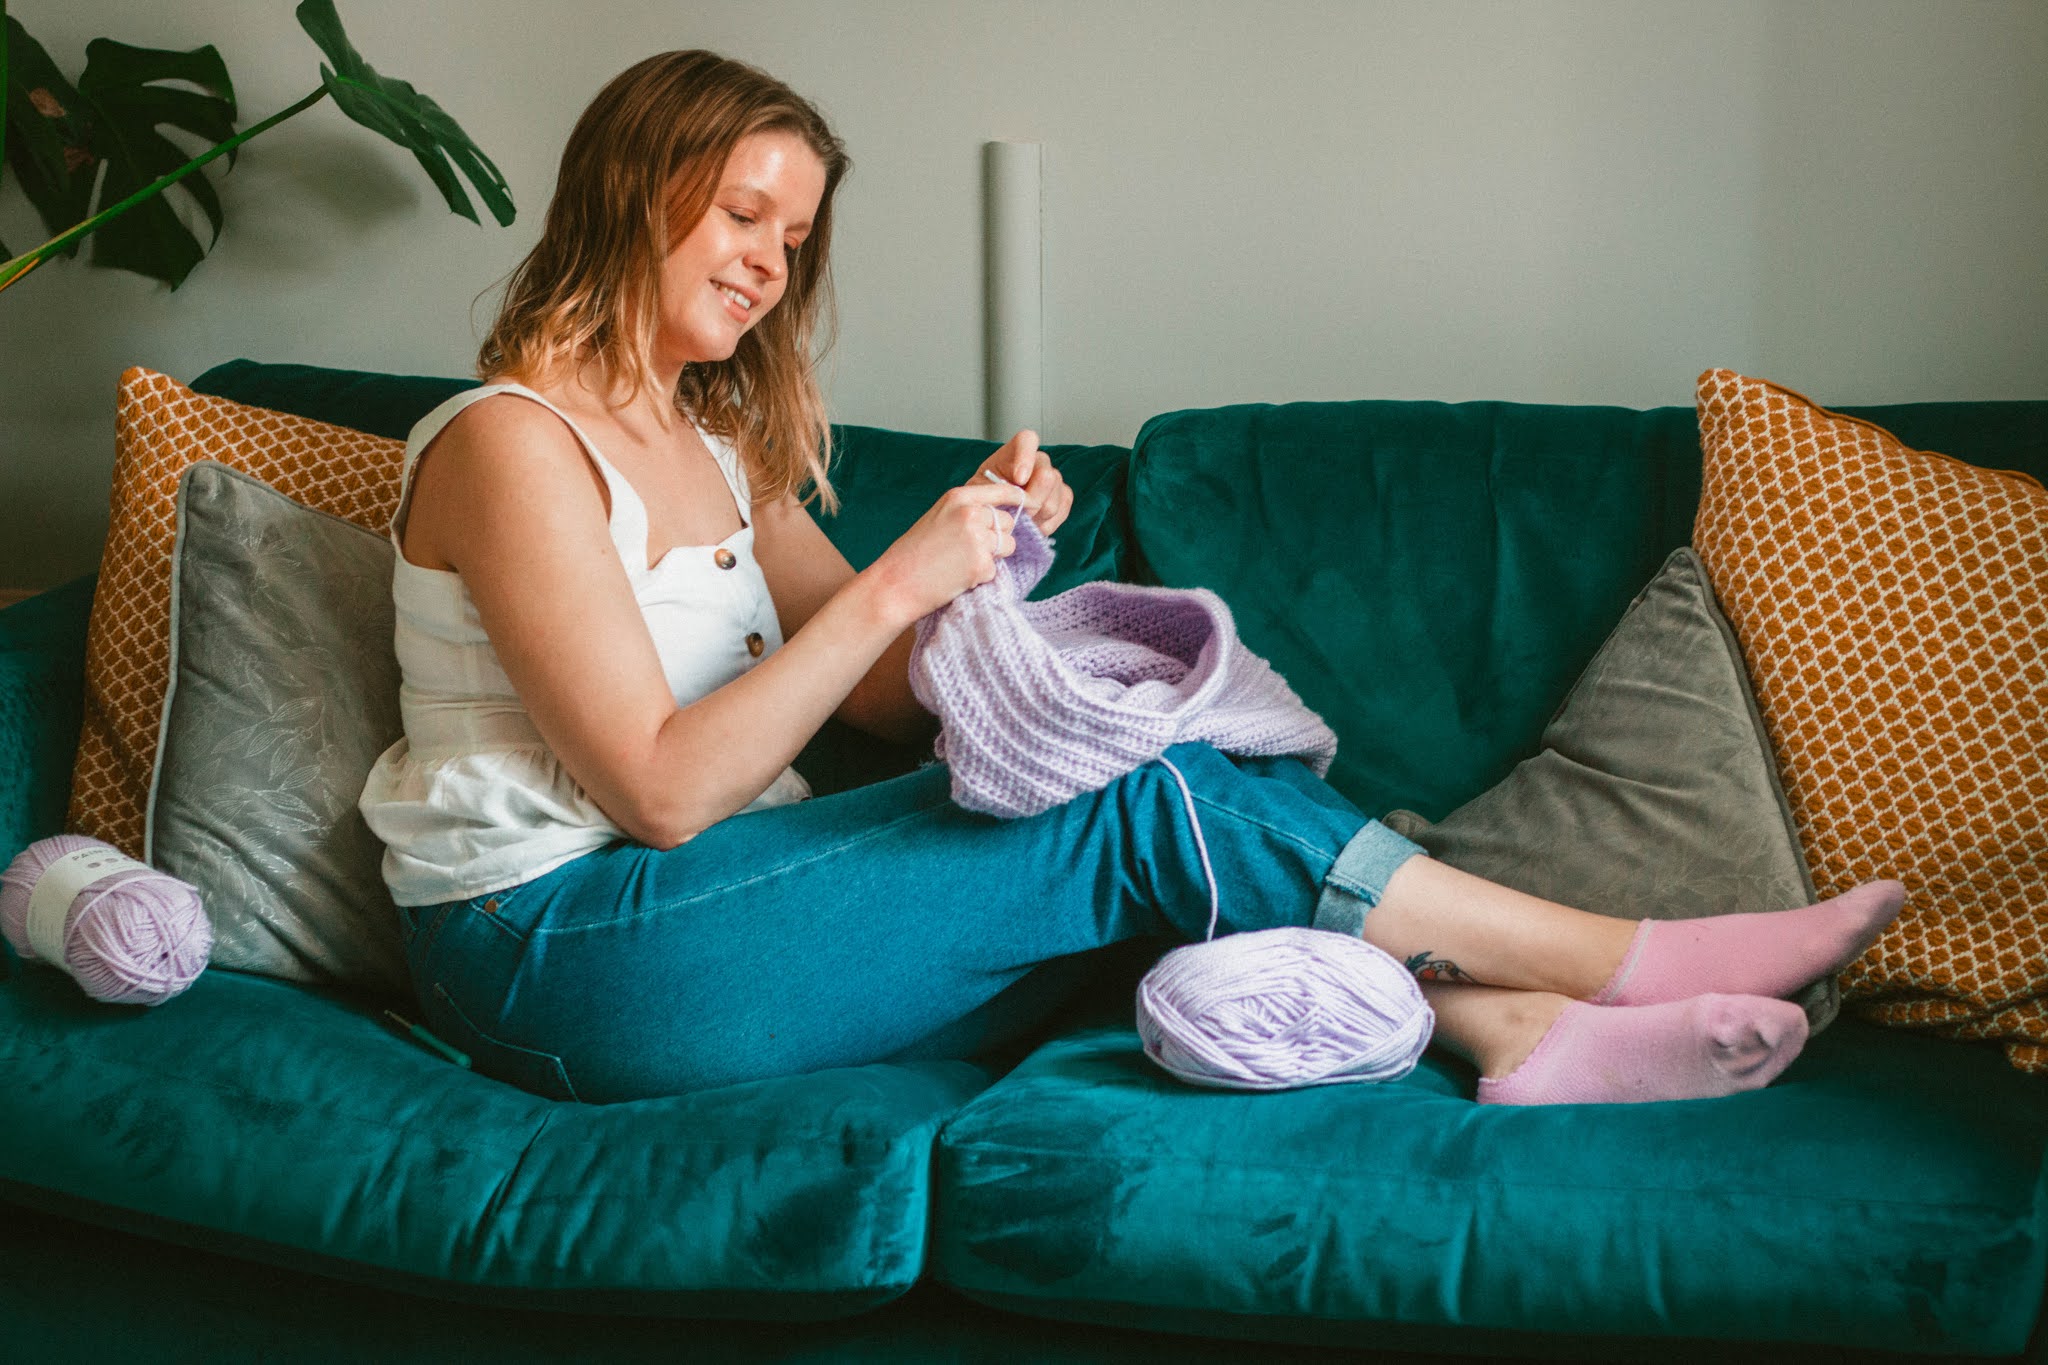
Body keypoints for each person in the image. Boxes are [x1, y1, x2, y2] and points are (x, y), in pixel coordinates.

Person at [359, 50, 1904, 1107]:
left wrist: (979, 561)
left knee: (1140, 834)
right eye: (743, 213)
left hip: (692, 927)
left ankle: (1523, 1032)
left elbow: (894, 708)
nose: (769, 262)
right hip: (553, 949)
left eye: (797, 235)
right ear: (633, 189)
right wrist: (904, 577)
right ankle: (1630, 952)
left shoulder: (712, 442)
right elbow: (658, 788)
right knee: (1139, 794)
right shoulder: (510, 444)